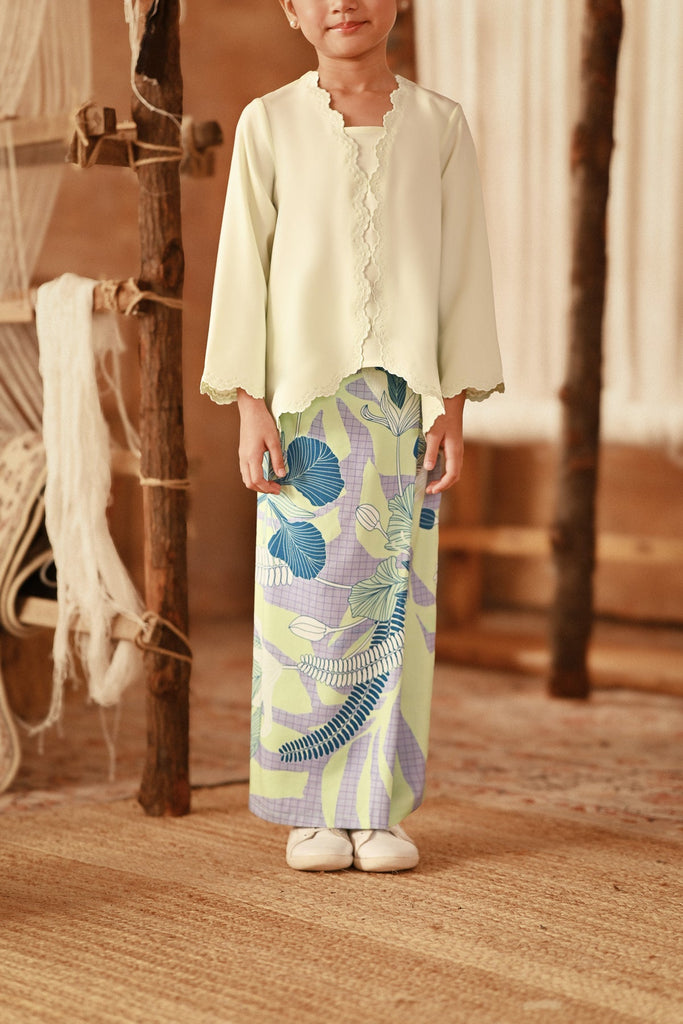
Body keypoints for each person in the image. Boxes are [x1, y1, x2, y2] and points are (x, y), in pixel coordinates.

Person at [200, 0, 503, 872]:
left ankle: (378, 812)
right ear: (293, 12)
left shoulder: (440, 126)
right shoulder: (267, 124)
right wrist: (249, 405)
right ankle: (311, 813)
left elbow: (462, 272)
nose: (344, 3)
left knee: (394, 606)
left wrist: (453, 408)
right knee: (307, 608)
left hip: (406, 407)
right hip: (302, 409)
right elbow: (243, 267)